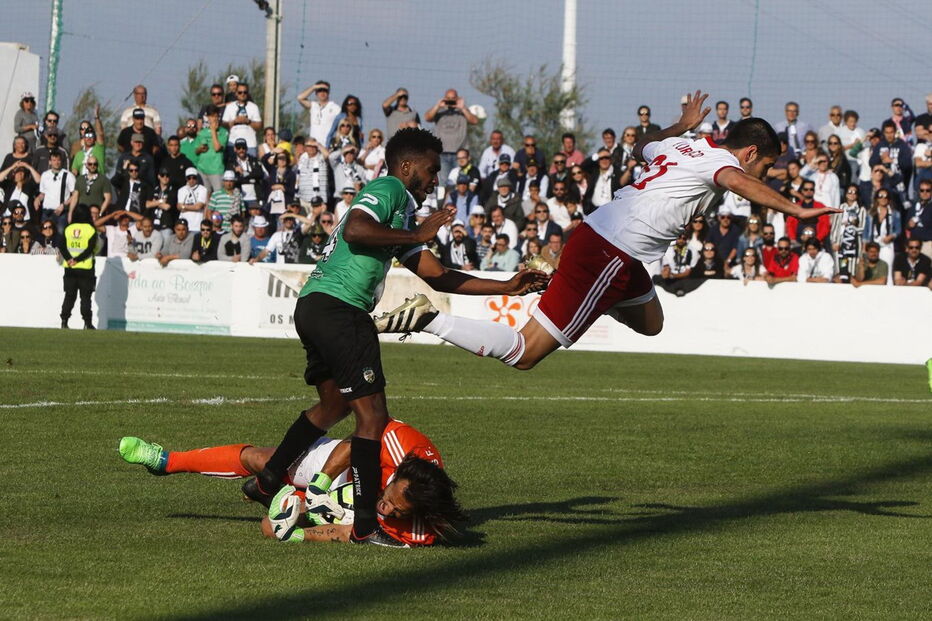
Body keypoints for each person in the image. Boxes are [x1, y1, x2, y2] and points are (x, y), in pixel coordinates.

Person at [376, 92, 840, 369]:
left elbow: (643, 145)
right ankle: (429, 318)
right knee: (525, 353)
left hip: (614, 249)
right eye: (768, 164)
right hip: (610, 253)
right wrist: (795, 211)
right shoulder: (723, 163)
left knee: (651, 324)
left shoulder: (688, 145)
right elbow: (736, 181)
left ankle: (569, 286)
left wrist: (683, 123)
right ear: (751, 151)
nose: (765, 173)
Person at [243, 127, 546, 545]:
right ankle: (367, 527)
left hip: (316, 306)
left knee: (333, 405)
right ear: (407, 167)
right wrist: (419, 234)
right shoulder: (389, 189)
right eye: (431, 170)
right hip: (340, 310)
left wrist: (508, 286)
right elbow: (355, 229)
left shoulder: (401, 217)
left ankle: (268, 479)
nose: (435, 179)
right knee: (373, 420)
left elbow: (438, 277)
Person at [117, 416, 464, 547]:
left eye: (396, 511)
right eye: (389, 498)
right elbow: (357, 440)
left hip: (347, 509)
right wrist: (321, 484)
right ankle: (166, 461)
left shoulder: (419, 530)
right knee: (262, 461)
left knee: (272, 526)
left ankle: (281, 498)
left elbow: (350, 534)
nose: (387, 508)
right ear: (396, 473)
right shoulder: (398, 444)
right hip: (348, 466)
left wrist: (298, 535)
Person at [425, 89, 479, 188]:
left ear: (457, 98)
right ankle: (444, 203)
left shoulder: (462, 111)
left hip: (460, 155)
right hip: (442, 153)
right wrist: (438, 105)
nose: (450, 101)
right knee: (444, 183)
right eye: (448, 98)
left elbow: (475, 121)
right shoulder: (439, 111)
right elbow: (427, 117)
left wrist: (462, 108)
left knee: (461, 181)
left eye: (453, 98)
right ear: (444, 98)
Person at [57, 205, 99, 329]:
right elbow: (90, 249)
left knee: (69, 295)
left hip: (69, 268)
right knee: (85, 297)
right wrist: (77, 259)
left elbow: (62, 246)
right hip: (85, 268)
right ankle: (87, 323)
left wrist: (70, 259)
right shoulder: (90, 229)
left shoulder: (68, 228)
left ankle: (64, 321)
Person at [862, 190, 901, 285]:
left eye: (885, 196)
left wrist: (891, 236)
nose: (883, 199)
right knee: (871, 270)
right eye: (880, 196)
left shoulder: (894, 213)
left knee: (887, 267)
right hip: (873, 244)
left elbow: (898, 229)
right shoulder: (871, 213)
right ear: (877, 198)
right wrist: (864, 247)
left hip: (887, 245)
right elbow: (866, 231)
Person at [222, 83, 262, 159]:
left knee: (251, 168)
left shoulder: (253, 107)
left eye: (245, 92)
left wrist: (248, 121)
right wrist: (234, 121)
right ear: (236, 93)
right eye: (240, 92)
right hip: (233, 144)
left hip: (250, 145)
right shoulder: (230, 107)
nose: (242, 94)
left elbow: (259, 126)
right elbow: (224, 124)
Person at [298, 81, 342, 145]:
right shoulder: (313, 105)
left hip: (327, 145)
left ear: (328, 92)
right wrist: (314, 87)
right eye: (320, 90)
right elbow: (300, 98)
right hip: (313, 145)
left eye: (325, 90)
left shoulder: (336, 108)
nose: (322, 92)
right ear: (316, 93)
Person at [906, 180, 932, 260]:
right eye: (922, 190)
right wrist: (909, 225)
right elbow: (906, 224)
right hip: (914, 245)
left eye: (928, 190)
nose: (924, 193)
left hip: (928, 244)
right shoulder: (914, 206)